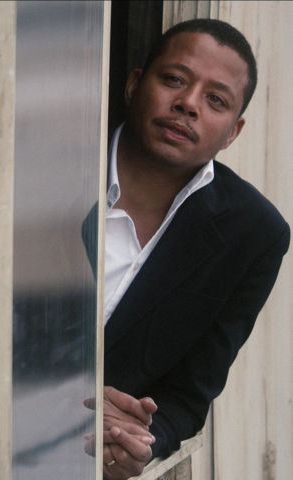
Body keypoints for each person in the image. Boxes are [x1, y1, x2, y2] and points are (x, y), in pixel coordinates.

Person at [82, 18, 289, 480]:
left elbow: (189, 396)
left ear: (233, 132)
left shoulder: (254, 234)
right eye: (175, 79)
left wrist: (138, 441)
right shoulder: (52, 165)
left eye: (216, 100)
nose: (188, 104)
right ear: (134, 85)